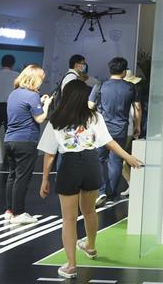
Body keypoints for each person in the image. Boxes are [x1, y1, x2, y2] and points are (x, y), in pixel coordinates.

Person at [38, 80, 143, 280]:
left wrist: (45, 179)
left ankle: (71, 266)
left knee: (69, 219)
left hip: (69, 166)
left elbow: (49, 154)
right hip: (91, 164)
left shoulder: (56, 119)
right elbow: (109, 142)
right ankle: (91, 247)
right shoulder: (94, 117)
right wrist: (128, 157)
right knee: (89, 211)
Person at [89, 57, 141, 206]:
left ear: (110, 70)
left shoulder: (100, 85)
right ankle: (111, 193)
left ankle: (100, 191)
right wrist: (137, 125)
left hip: (101, 129)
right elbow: (137, 108)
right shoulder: (131, 87)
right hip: (121, 130)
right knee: (116, 161)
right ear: (124, 71)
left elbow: (90, 105)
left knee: (97, 160)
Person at [3, 64, 52, 224]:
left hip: (10, 140)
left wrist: (39, 102)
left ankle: (9, 210)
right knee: (22, 178)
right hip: (25, 141)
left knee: (12, 176)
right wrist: (46, 105)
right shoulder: (32, 96)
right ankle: (19, 213)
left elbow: (24, 110)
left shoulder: (14, 93)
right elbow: (40, 118)